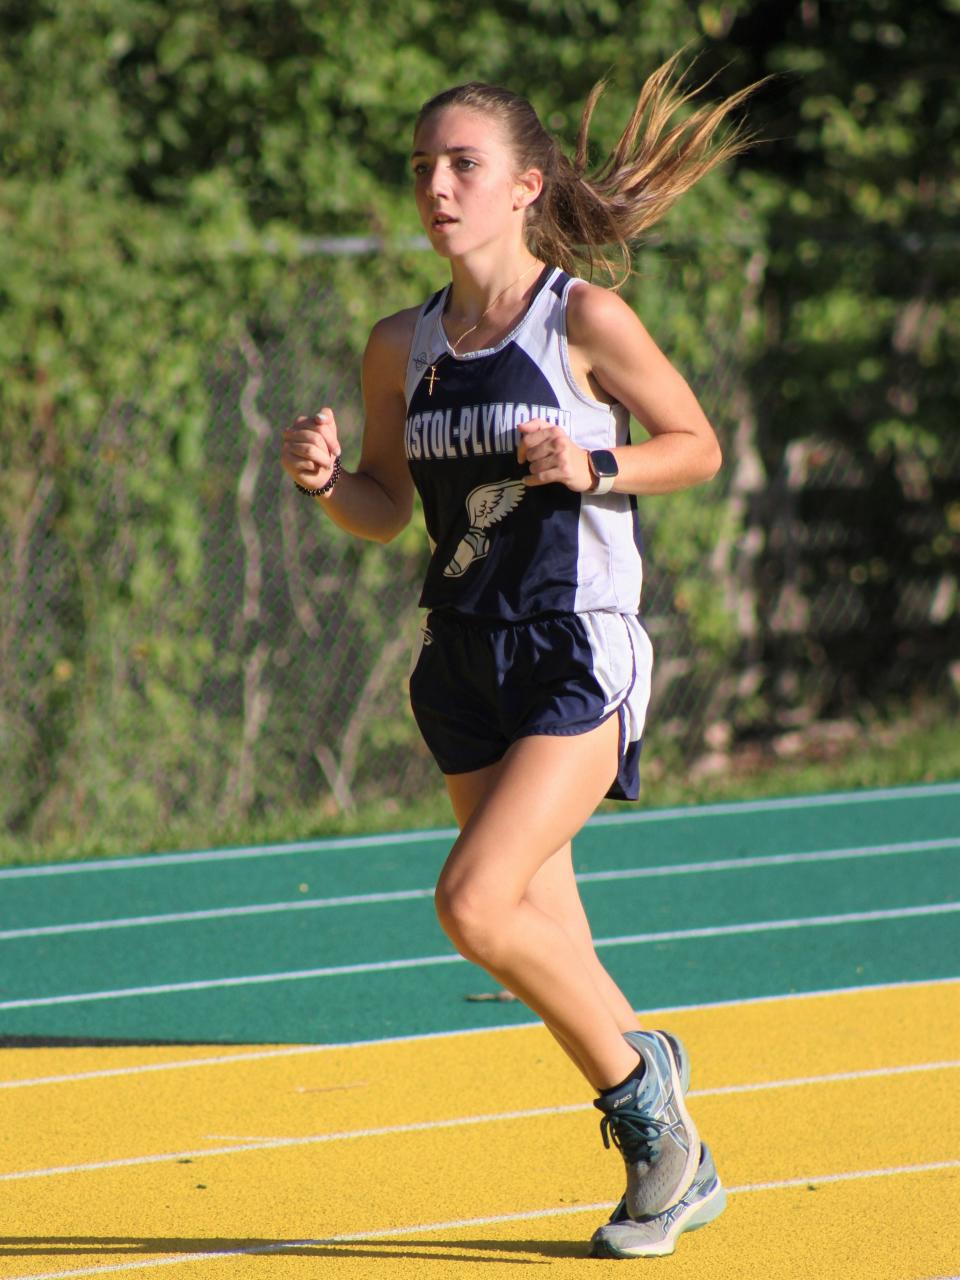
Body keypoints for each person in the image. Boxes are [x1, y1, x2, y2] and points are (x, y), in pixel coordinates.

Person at [281, 55, 756, 1258]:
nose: (437, 186)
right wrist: (335, 482)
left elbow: (697, 446)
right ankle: (656, 1100)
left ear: (524, 186)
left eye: (463, 165)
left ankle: (656, 1123)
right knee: (552, 935)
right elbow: (388, 508)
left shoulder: (583, 317)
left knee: (474, 901)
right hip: (459, 656)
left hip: (574, 650)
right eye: (425, 168)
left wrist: (598, 465)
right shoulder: (402, 343)